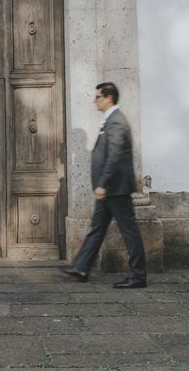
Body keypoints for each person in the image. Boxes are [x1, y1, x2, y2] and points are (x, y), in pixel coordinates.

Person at [60, 82, 147, 288]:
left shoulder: (116, 121)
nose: (94, 101)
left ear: (108, 97)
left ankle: (138, 276)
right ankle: (81, 268)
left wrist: (103, 184)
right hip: (108, 190)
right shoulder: (109, 121)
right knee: (97, 229)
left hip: (115, 189)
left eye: (97, 97)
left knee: (129, 232)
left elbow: (114, 156)